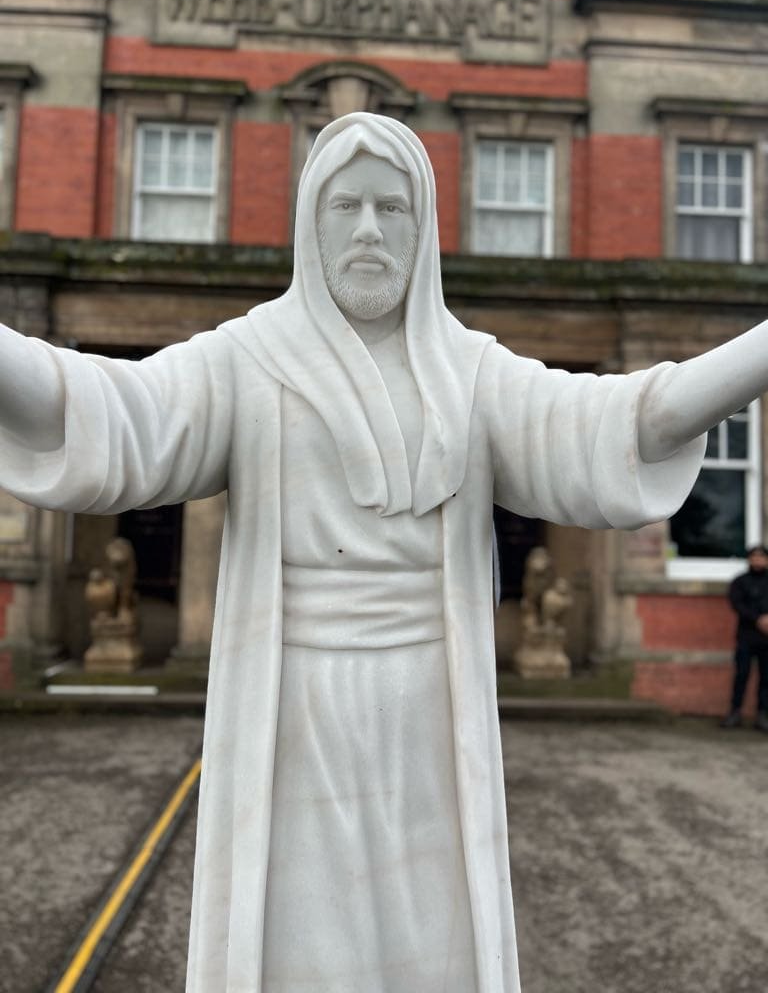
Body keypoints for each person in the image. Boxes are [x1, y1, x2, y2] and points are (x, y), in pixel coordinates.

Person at [1, 113, 768, 992]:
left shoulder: (472, 372)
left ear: (424, 228)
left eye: (392, 209)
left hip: (429, 714)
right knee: (299, 944)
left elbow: (626, 424)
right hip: (295, 708)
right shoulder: (250, 360)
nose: (368, 231)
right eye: (345, 207)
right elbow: (106, 413)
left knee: (429, 942)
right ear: (309, 223)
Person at [721, 545, 768, 732]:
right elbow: (737, 604)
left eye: (761, 557)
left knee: (766, 679)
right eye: (754, 557)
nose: (757, 560)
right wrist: (758, 619)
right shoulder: (740, 582)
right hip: (746, 637)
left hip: (766, 639)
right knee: (741, 675)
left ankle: (763, 715)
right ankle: (735, 712)